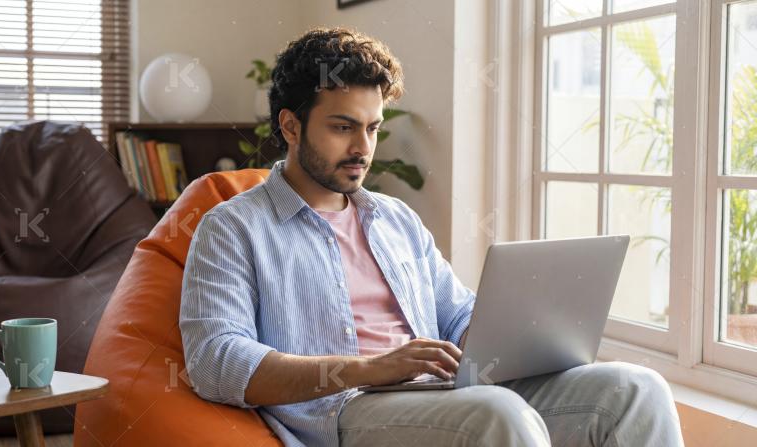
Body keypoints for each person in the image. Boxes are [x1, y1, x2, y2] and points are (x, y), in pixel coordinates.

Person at [180, 27, 685, 447]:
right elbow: (215, 361)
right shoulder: (232, 229)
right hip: (347, 411)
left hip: (446, 393)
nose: (363, 148)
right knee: (497, 415)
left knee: (635, 388)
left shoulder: (395, 219)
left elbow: (458, 313)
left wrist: (512, 340)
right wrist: (368, 368)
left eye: (373, 128)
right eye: (342, 128)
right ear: (290, 126)